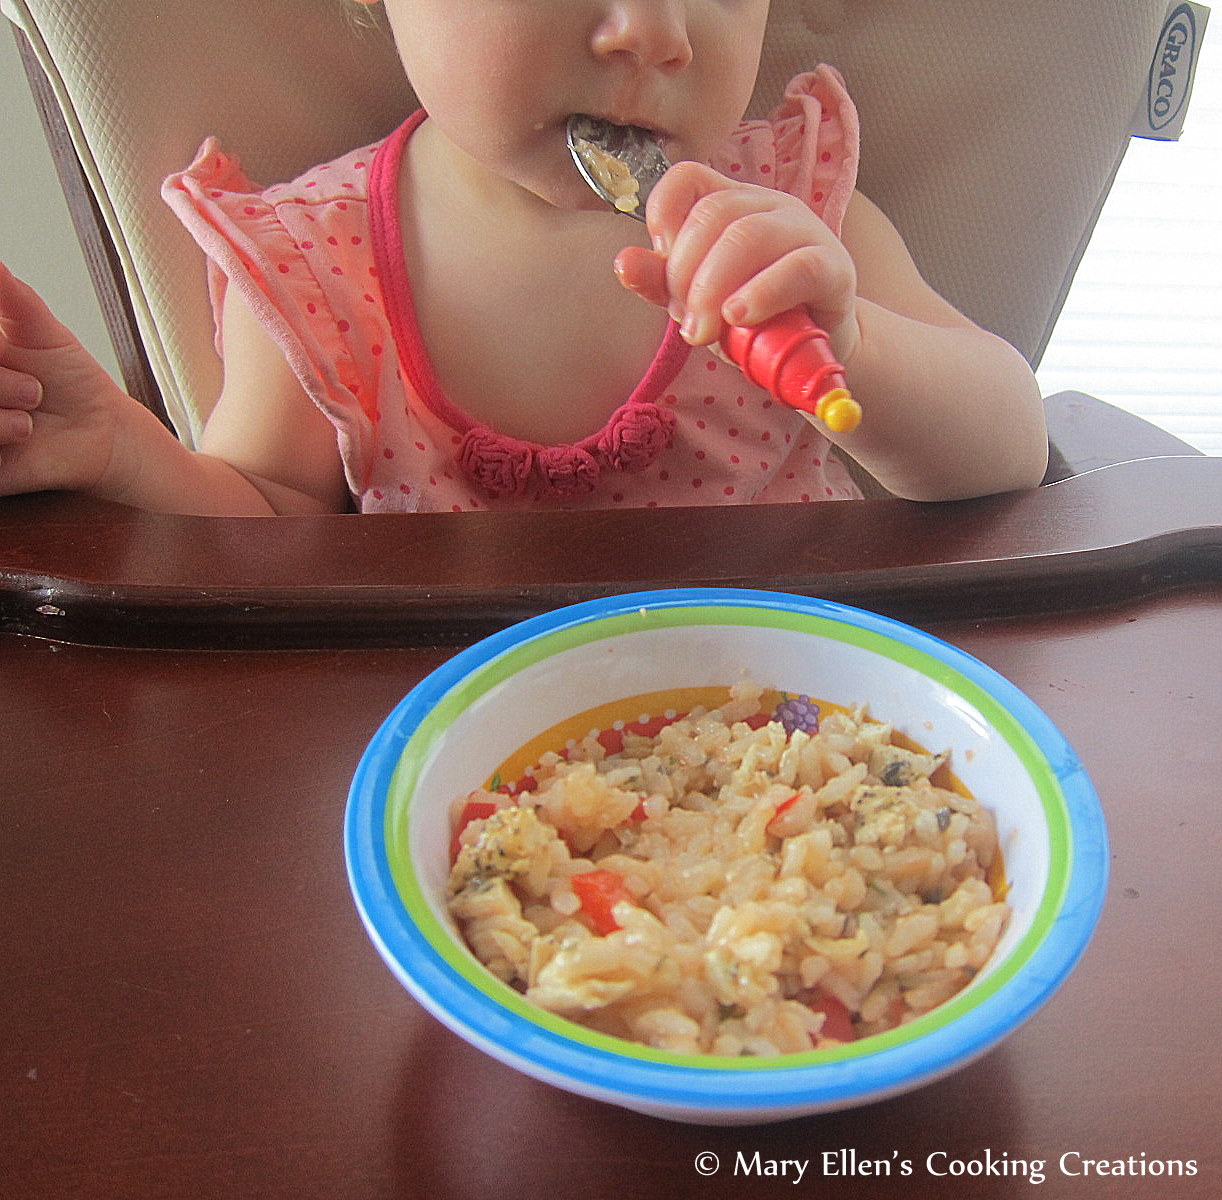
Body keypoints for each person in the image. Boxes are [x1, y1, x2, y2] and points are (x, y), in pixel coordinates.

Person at [0, 0, 1048, 515]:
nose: (652, 29)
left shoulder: (790, 215)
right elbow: (264, 532)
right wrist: (121, 456)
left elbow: (1010, 447)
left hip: (773, 765)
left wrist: (854, 343)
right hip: (453, 792)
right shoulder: (323, 265)